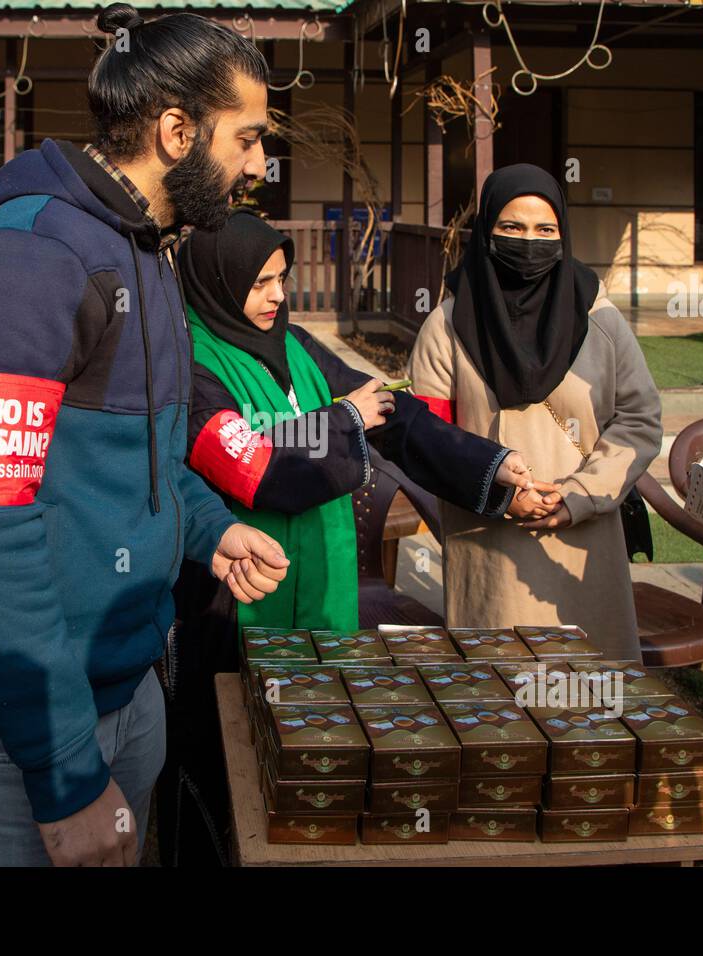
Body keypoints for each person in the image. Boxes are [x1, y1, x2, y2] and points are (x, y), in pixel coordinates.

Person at [0, 3, 289, 868]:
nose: (261, 165)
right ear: (178, 130)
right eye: (248, 139)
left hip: (121, 692)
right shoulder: (31, 257)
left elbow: (140, 461)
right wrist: (65, 773)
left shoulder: (147, 252)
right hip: (9, 734)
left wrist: (208, 530)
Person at [159, 209, 538, 864]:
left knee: (311, 759)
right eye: (261, 284)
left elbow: (387, 409)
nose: (278, 296)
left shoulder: (297, 346)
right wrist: (339, 420)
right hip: (229, 606)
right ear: (218, 283)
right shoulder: (187, 365)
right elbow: (251, 461)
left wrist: (487, 465)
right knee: (227, 772)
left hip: (324, 597)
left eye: (283, 278)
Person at [407, 164, 662, 660]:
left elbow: (639, 418)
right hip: (492, 548)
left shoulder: (599, 318)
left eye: (545, 230)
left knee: (591, 702)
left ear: (563, 233)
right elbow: (426, 436)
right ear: (486, 232)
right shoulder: (448, 324)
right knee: (500, 702)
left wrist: (579, 495)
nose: (530, 241)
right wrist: (499, 492)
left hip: (584, 541)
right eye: (512, 228)